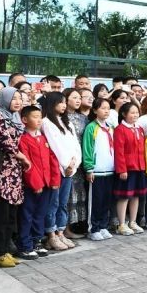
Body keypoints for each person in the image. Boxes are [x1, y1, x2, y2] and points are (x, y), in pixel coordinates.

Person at [0, 88, 30, 266]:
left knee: (11, 214)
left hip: (15, 170)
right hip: (3, 169)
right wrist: (23, 157)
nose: (17, 102)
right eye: (13, 98)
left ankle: (6, 250)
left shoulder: (14, 118)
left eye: (19, 98)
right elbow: (6, 142)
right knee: (2, 214)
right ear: (4, 99)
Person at [17, 105, 59, 259]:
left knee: (40, 214)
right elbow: (27, 164)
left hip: (46, 183)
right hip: (33, 186)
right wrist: (36, 184)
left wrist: (54, 180)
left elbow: (52, 159)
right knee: (27, 214)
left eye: (40, 116)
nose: (39, 119)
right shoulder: (23, 139)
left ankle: (36, 241)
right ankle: (25, 245)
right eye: (35, 116)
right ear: (24, 120)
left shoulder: (43, 138)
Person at [40, 93, 79, 250]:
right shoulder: (46, 122)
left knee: (63, 203)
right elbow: (55, 147)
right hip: (57, 169)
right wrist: (66, 165)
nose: (64, 105)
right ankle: (51, 234)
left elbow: (75, 145)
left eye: (64, 102)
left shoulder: (66, 122)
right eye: (60, 102)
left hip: (70, 169)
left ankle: (61, 231)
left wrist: (74, 163)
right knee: (53, 203)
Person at [82, 98, 116, 241]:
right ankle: (93, 228)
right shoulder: (91, 127)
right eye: (103, 108)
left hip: (110, 169)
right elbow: (88, 148)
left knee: (106, 201)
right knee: (96, 200)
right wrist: (89, 168)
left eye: (108, 108)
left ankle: (103, 226)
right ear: (95, 110)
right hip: (97, 171)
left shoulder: (110, 127)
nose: (106, 111)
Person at [113, 102, 147, 235]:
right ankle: (121, 224)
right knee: (124, 196)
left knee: (136, 195)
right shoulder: (120, 129)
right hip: (127, 168)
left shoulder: (138, 129)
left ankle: (132, 222)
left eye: (136, 112)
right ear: (124, 114)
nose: (135, 115)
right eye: (132, 112)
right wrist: (122, 169)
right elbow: (119, 151)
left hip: (139, 167)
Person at [62, 88, 89, 239]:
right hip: (68, 161)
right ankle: (63, 229)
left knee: (77, 195)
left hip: (81, 161)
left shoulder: (83, 118)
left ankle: (72, 227)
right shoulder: (61, 118)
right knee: (67, 196)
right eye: (74, 97)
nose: (78, 100)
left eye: (80, 97)